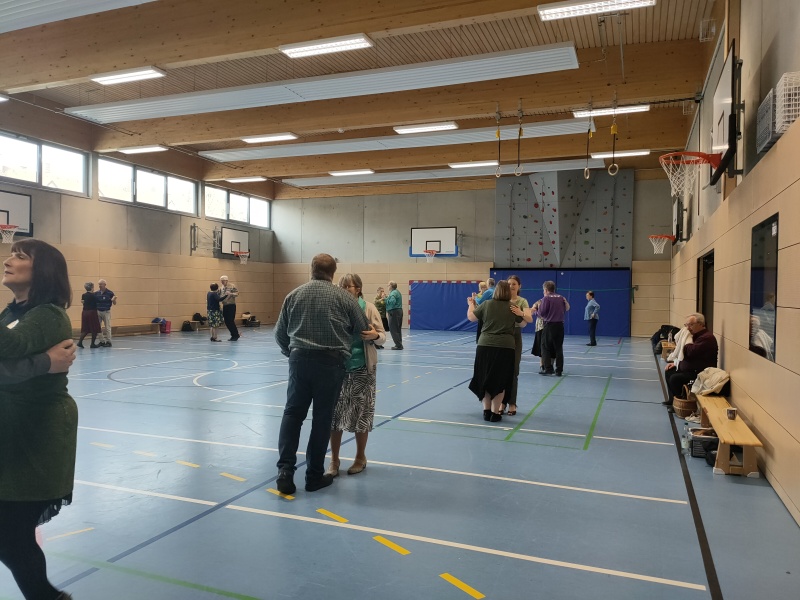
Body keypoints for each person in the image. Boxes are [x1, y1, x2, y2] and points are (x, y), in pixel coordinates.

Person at [0, 238, 77, 600]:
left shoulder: (48, 314)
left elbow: (9, 348)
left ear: (42, 270)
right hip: (11, 431)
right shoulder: (12, 313)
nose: (8, 259)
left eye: (20, 256)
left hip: (37, 433)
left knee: (12, 533)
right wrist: (45, 362)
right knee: (9, 535)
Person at [274, 254, 370, 494]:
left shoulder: (293, 295)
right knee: (322, 419)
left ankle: (285, 471)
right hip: (331, 363)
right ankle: (314, 476)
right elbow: (363, 328)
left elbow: (280, 334)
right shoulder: (344, 298)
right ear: (333, 273)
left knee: (292, 414)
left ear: (311, 270)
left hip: (299, 360)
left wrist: (291, 353)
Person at [326, 273, 385, 478]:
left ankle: (360, 457)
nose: (343, 290)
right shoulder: (334, 308)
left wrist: (375, 336)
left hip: (363, 368)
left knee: (362, 414)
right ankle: (334, 460)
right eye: (340, 287)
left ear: (358, 289)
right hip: (338, 369)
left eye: (347, 287)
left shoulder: (368, 308)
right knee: (335, 416)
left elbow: (382, 336)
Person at [467, 280, 521, 422]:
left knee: (485, 377)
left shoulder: (486, 304)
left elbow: (471, 317)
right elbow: (522, 322)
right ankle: (495, 412)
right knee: (500, 381)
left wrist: (471, 304)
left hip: (485, 346)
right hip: (505, 347)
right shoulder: (512, 307)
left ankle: (486, 410)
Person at [663, 313, 718, 407]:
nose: (688, 328)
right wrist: (676, 364)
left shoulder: (707, 338)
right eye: (686, 325)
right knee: (669, 371)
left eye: (691, 325)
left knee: (675, 378)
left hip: (701, 373)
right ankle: (673, 400)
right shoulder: (695, 336)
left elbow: (690, 352)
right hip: (692, 369)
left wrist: (686, 342)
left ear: (701, 324)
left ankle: (681, 403)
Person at [502, 275, 532, 416]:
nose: (511, 286)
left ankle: (512, 403)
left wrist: (520, 313)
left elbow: (529, 319)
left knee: (513, 371)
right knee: (501, 371)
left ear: (519, 286)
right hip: (502, 335)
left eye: (514, 284)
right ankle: (501, 402)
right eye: (509, 284)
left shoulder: (522, 301)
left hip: (515, 336)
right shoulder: (502, 300)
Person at [537, 280, 569, 376]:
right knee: (559, 348)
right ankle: (559, 370)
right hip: (560, 325)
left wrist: (536, 312)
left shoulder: (546, 298)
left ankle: (548, 368)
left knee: (545, 347)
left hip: (549, 325)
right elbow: (566, 308)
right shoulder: (561, 298)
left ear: (546, 290)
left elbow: (542, 313)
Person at [78, 281, 102, 348]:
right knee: (95, 328)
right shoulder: (94, 295)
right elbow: (99, 301)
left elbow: (83, 301)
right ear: (92, 288)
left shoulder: (83, 295)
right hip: (92, 312)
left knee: (85, 328)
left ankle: (80, 342)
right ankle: (92, 344)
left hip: (84, 312)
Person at [95, 278, 117, 347]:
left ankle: (108, 341)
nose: (99, 286)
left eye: (101, 284)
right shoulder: (96, 293)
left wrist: (114, 300)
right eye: (99, 284)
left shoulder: (110, 293)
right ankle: (102, 341)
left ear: (105, 284)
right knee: (98, 327)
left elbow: (114, 303)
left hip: (106, 311)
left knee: (107, 327)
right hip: (98, 311)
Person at [474, 277, 495, 343]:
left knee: (481, 328)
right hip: (494, 314)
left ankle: (480, 341)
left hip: (486, 313)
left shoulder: (489, 291)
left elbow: (480, 301)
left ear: (489, 284)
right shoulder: (496, 290)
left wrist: (475, 297)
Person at [219, 275, 240, 341]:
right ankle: (233, 334)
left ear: (226, 280)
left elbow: (237, 293)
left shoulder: (232, 286)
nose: (222, 282)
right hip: (225, 305)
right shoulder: (221, 288)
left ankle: (236, 335)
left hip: (231, 305)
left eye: (223, 281)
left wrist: (231, 294)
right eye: (221, 281)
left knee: (230, 321)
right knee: (226, 321)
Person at [386, 280, 403, 350]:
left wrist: (386, 300)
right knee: (397, 329)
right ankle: (399, 344)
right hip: (399, 311)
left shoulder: (393, 293)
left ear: (391, 286)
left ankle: (398, 345)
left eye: (388, 285)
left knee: (393, 328)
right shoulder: (397, 292)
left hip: (394, 312)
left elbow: (392, 301)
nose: (387, 286)